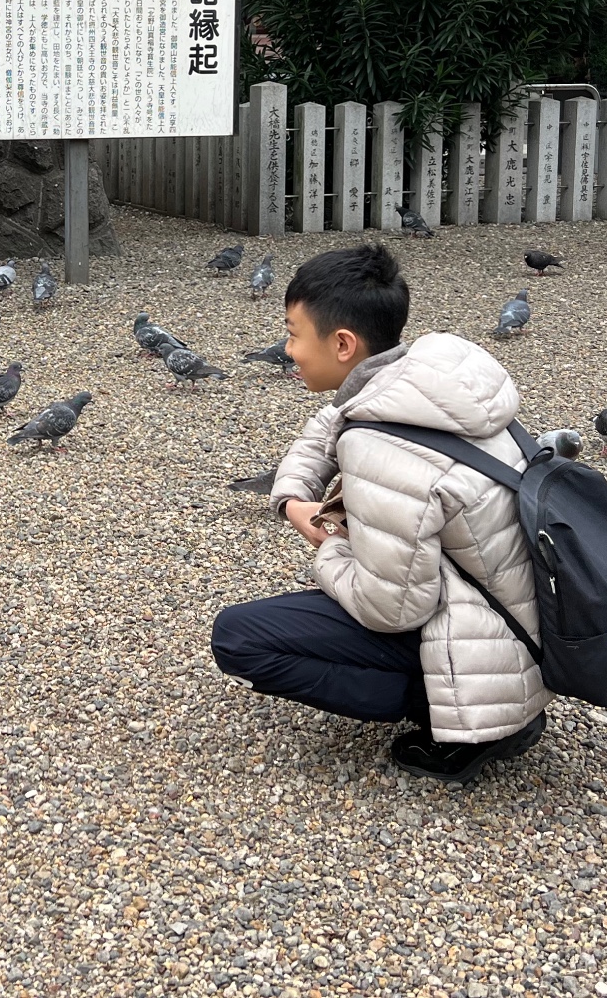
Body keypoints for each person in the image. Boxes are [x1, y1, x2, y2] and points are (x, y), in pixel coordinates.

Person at [210, 243, 548, 782]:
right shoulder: (427, 382)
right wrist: (292, 497)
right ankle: (495, 703)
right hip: (524, 625)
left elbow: (393, 610)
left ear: (342, 343)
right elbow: (331, 423)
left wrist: (329, 544)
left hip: (485, 652)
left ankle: (467, 721)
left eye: (294, 334)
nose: (289, 350)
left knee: (240, 637)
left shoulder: (381, 448)